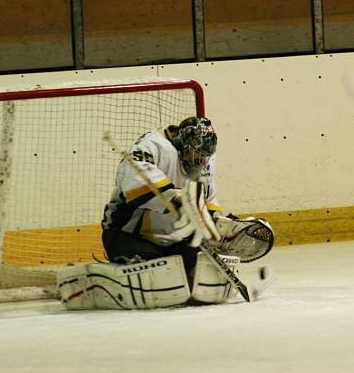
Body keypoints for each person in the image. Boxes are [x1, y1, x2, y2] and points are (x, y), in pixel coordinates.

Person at [58, 117, 274, 310]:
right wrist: (179, 201)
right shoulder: (152, 147)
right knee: (160, 283)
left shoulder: (204, 157)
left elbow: (207, 198)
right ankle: (94, 280)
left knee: (208, 282)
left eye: (206, 157)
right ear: (183, 145)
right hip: (129, 234)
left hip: (175, 238)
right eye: (196, 154)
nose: (202, 161)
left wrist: (220, 226)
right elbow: (134, 186)